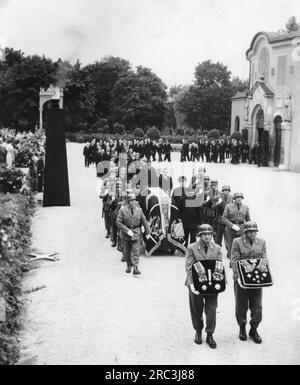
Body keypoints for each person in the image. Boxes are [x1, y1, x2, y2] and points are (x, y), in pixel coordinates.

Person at [185, 224, 223, 349]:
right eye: (204, 234)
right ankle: (198, 330)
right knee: (196, 308)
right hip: (196, 283)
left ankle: (210, 333)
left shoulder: (217, 248)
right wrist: (191, 284)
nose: (207, 237)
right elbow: (189, 266)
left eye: (209, 234)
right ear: (199, 235)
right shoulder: (192, 248)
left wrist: (221, 283)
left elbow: (220, 266)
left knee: (211, 310)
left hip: (212, 284)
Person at [231, 222, 267, 344]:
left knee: (257, 307)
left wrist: (263, 272)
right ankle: (242, 328)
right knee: (241, 306)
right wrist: (238, 277)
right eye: (250, 231)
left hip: (256, 280)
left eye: (254, 231)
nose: (252, 234)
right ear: (245, 232)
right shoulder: (237, 242)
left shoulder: (261, 242)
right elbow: (234, 261)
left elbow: (264, 259)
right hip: (242, 280)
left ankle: (254, 329)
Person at [117, 193, 151, 275]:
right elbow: (118, 222)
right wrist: (126, 230)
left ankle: (135, 267)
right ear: (128, 202)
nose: (133, 202)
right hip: (125, 234)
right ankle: (129, 264)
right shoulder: (122, 210)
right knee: (126, 251)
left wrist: (148, 232)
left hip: (136, 232)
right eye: (131, 201)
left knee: (136, 250)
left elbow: (144, 221)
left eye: (134, 200)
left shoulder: (139, 210)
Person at [222, 192, 251, 259]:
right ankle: (231, 261)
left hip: (241, 229)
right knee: (231, 247)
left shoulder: (245, 207)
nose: (238, 199)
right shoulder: (228, 206)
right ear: (234, 199)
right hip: (231, 229)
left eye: (240, 198)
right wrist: (232, 225)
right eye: (237, 198)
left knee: (242, 245)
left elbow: (248, 219)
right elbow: (224, 218)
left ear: (242, 198)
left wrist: (249, 229)